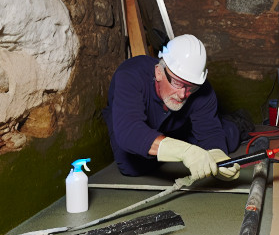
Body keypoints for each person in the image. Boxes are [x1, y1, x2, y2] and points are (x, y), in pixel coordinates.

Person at [102, 34, 252, 182]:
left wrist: (217, 156)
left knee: (226, 140)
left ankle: (236, 123)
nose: (182, 94)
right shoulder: (130, 75)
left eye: (191, 87)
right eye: (177, 84)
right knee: (130, 165)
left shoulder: (201, 89)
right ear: (159, 72)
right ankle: (176, 144)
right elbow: (129, 130)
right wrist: (184, 152)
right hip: (134, 123)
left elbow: (210, 132)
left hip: (179, 124)